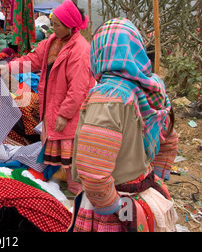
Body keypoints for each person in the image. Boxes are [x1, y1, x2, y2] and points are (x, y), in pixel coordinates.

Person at [69, 18, 178, 232]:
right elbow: (169, 138)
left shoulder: (107, 98)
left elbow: (93, 171)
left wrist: (114, 206)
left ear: (98, 52)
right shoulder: (152, 87)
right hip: (146, 192)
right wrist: (155, 176)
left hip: (119, 205)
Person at [0, 0, 94, 195]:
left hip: (70, 110)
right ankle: (67, 185)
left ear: (69, 26)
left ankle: (79, 193)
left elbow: (78, 89)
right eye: (54, 23)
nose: (53, 28)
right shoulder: (52, 42)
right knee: (61, 150)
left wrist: (64, 114)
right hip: (53, 104)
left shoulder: (80, 50)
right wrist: (7, 68)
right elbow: (32, 60)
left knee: (71, 152)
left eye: (57, 25)